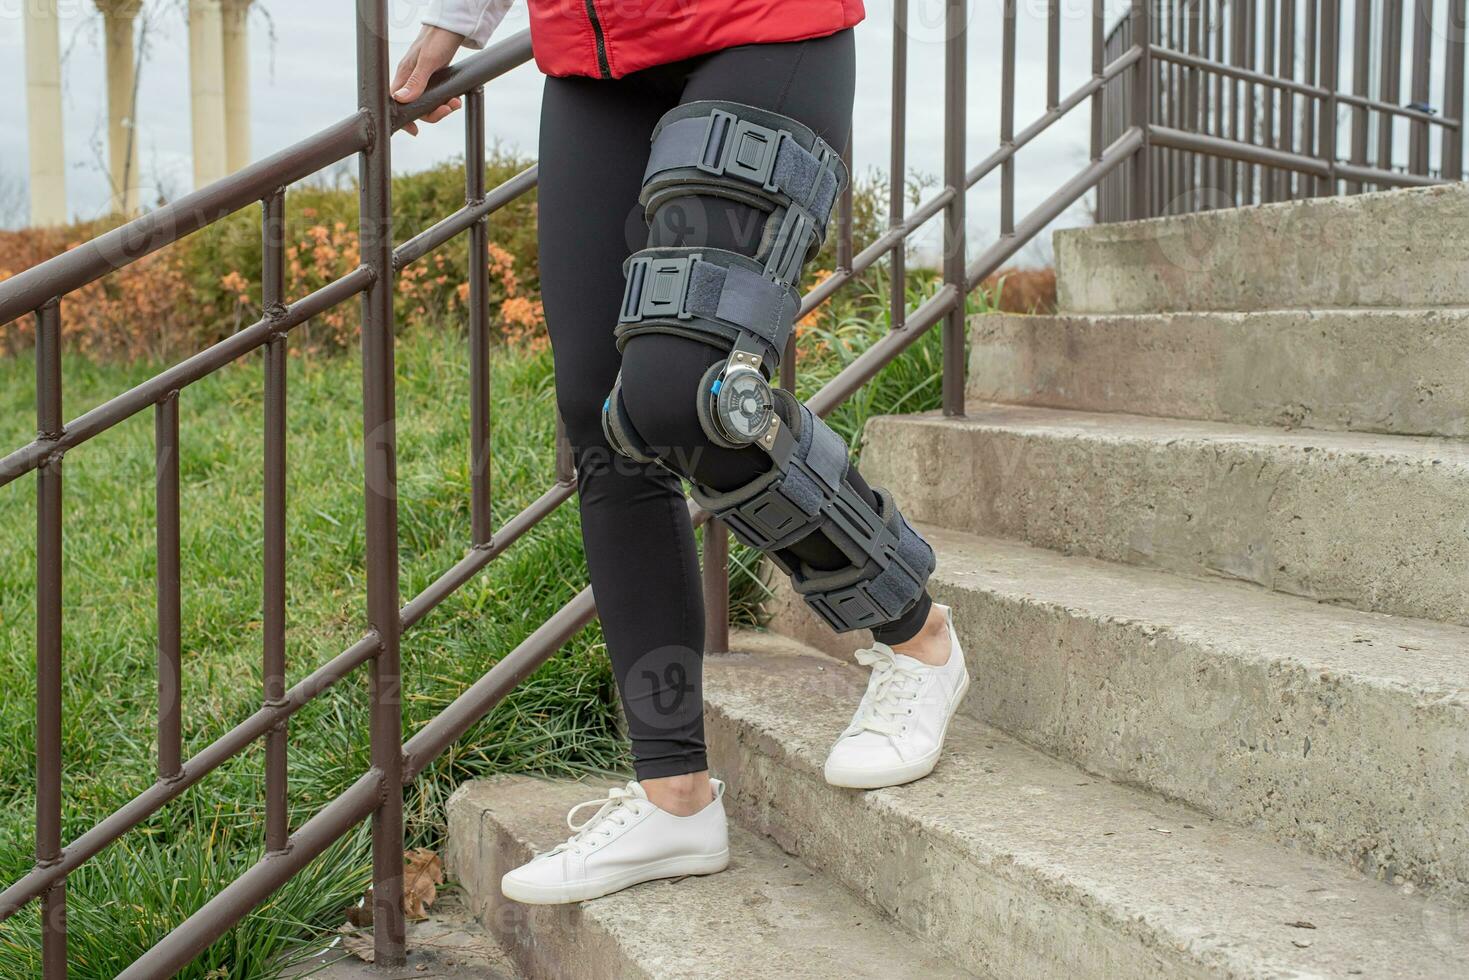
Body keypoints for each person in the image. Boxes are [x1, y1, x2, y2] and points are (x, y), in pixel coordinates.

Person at [393, 0, 970, 906]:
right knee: (602, 419)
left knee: (682, 391)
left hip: (760, 28)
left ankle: (915, 633)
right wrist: (455, 19)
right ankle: (675, 797)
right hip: (593, 55)